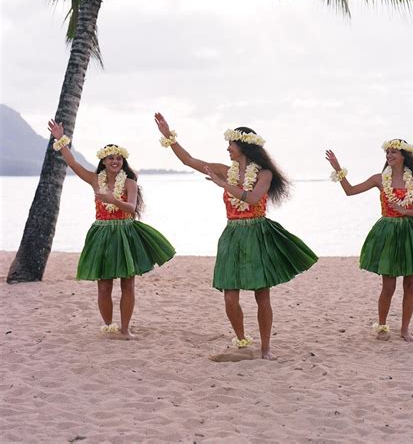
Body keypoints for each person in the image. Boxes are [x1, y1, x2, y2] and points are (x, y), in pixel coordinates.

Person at [155, 113, 318, 360]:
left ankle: (266, 348)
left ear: (242, 146)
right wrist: (169, 136)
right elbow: (189, 160)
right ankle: (242, 340)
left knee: (262, 294)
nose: (227, 149)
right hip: (232, 234)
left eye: (230, 145)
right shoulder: (224, 170)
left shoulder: (264, 174)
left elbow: (253, 199)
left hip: (257, 234)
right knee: (230, 296)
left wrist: (224, 185)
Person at [48, 119, 175, 339]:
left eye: (118, 158)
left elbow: (132, 208)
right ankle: (108, 326)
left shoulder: (130, 183)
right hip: (102, 234)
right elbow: (73, 164)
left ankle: (125, 329)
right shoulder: (94, 179)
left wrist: (112, 200)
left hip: (126, 234)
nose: (115, 161)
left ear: (122, 161)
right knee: (104, 286)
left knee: (128, 284)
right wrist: (60, 139)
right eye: (110, 158)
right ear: (103, 161)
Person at [325, 139, 413, 342]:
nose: (389, 156)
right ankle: (382, 326)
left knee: (410, 285)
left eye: (394, 152)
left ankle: (405, 329)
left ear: (404, 156)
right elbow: (350, 191)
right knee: (389, 286)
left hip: (411, 233)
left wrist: (406, 211)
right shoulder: (379, 179)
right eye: (387, 153)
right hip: (388, 234)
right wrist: (338, 168)